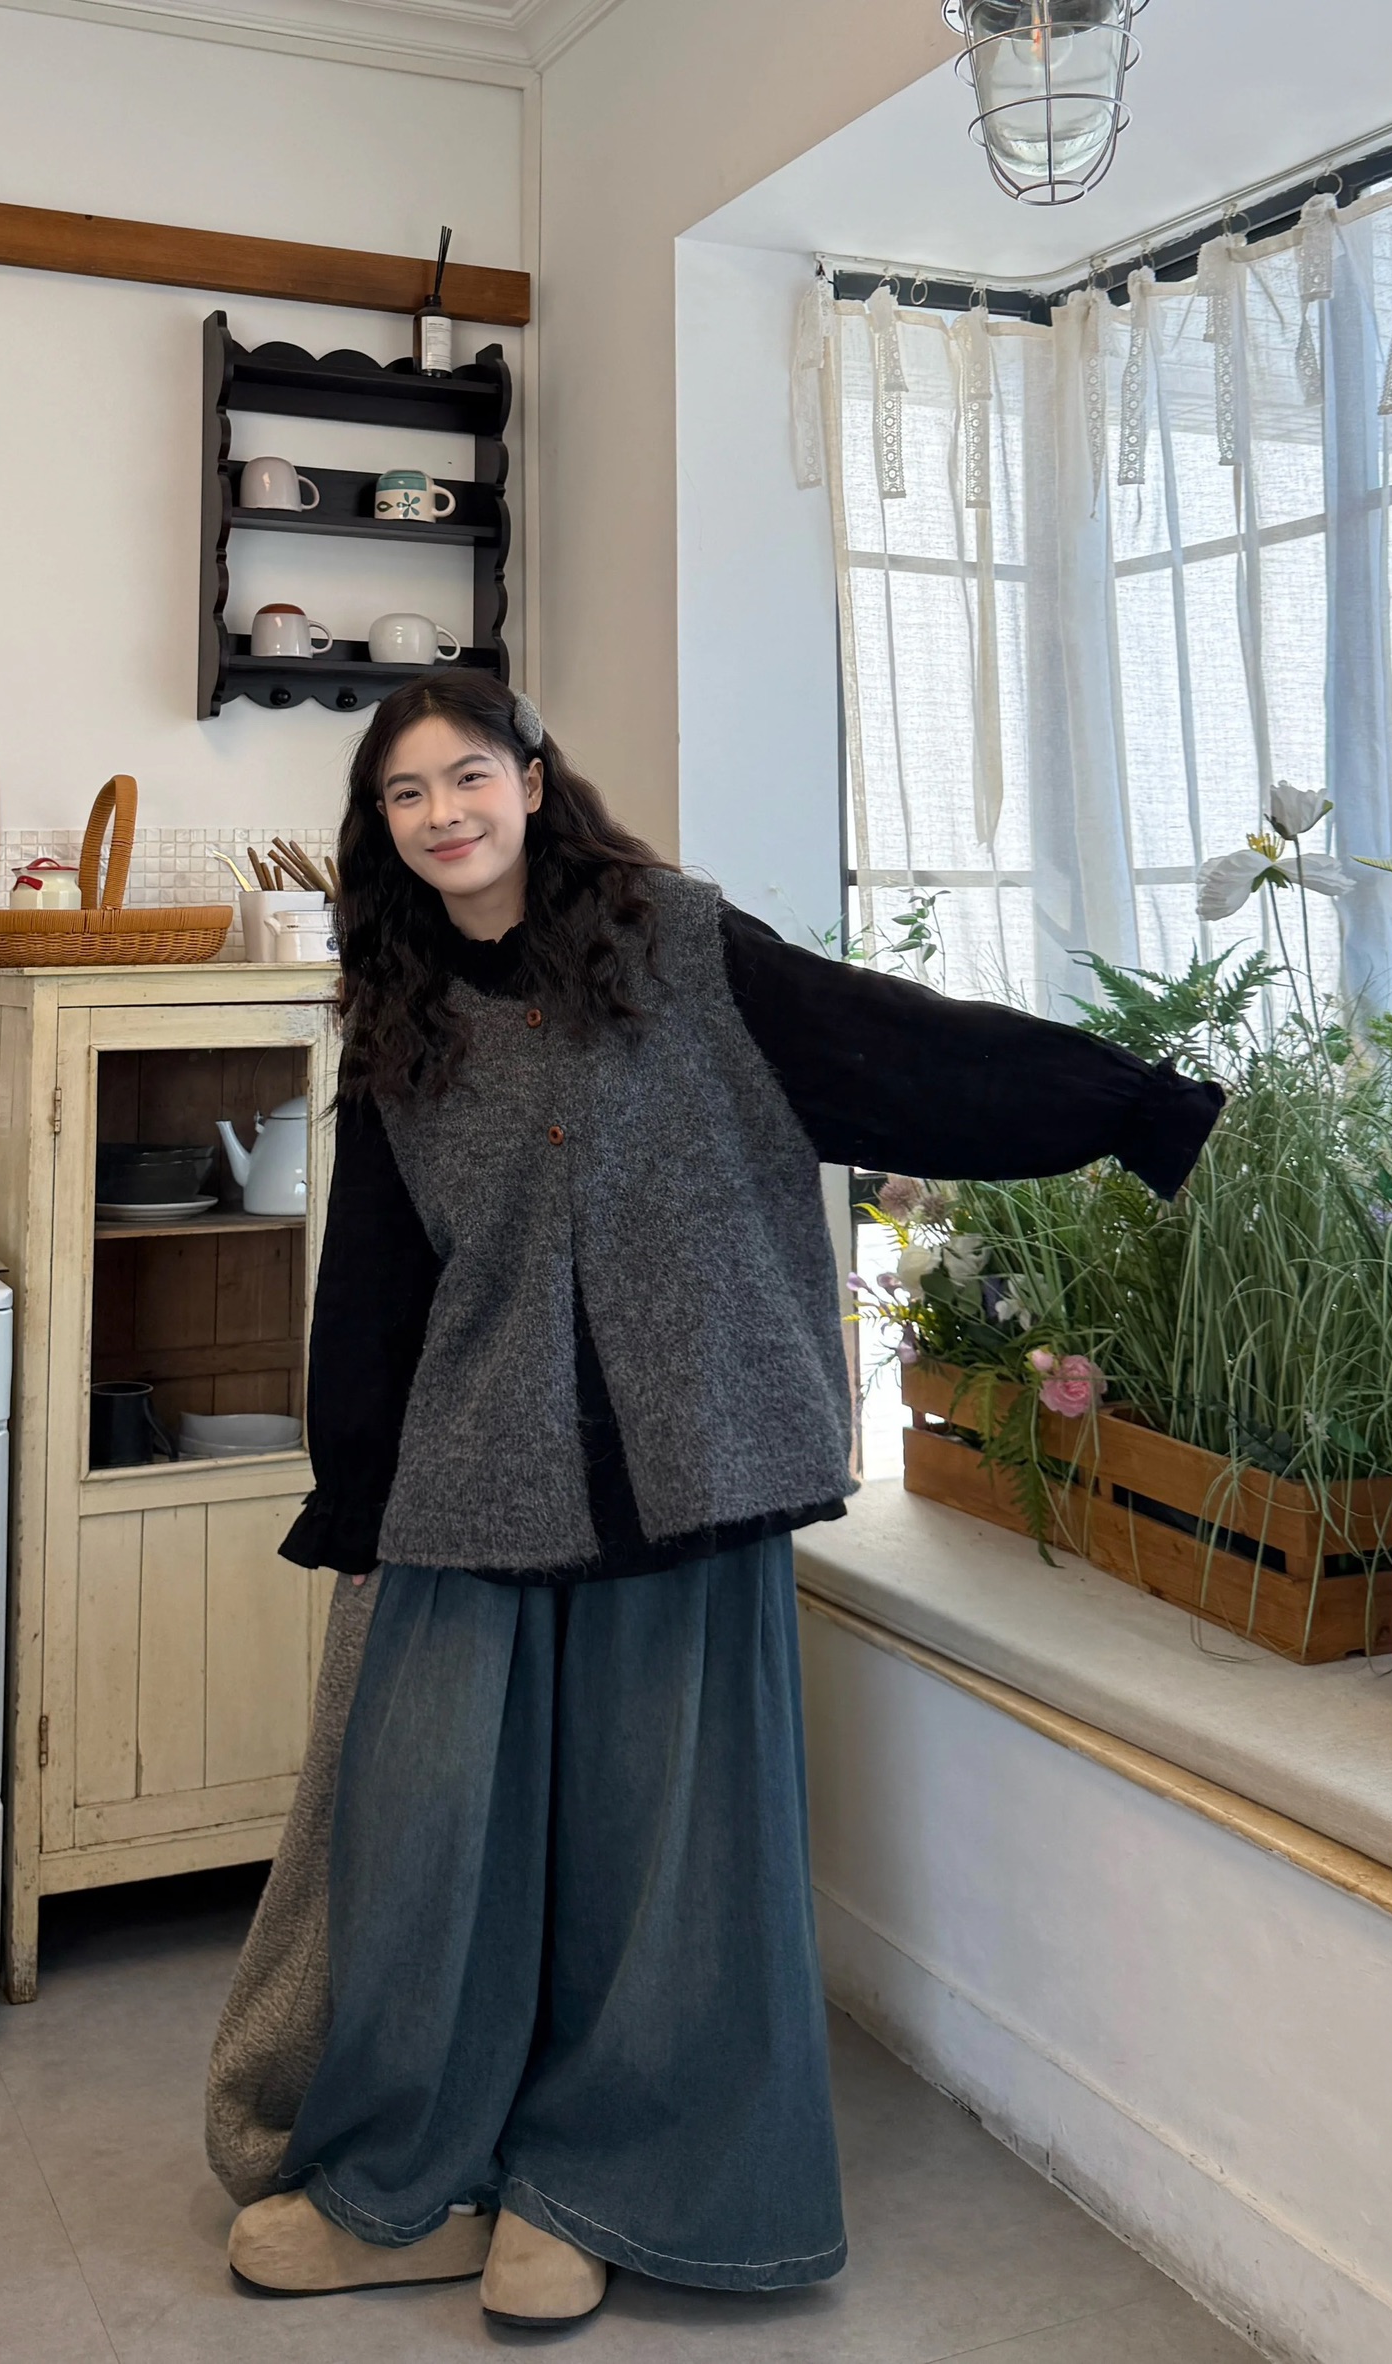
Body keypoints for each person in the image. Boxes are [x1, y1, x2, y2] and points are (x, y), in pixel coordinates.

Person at [221, 675, 1223, 2329]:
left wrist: (1130, 1106)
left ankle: (599, 2189)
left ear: (531, 779)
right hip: (476, 1473)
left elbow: (897, 1052)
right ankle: (418, 2177)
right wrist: (358, 1490)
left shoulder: (677, 943)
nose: (442, 813)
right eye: (405, 794)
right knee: (429, 1843)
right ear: (379, 829)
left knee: (667, 1860)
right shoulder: (394, 1009)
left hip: (693, 1458)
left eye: (466, 775)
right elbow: (375, 1278)